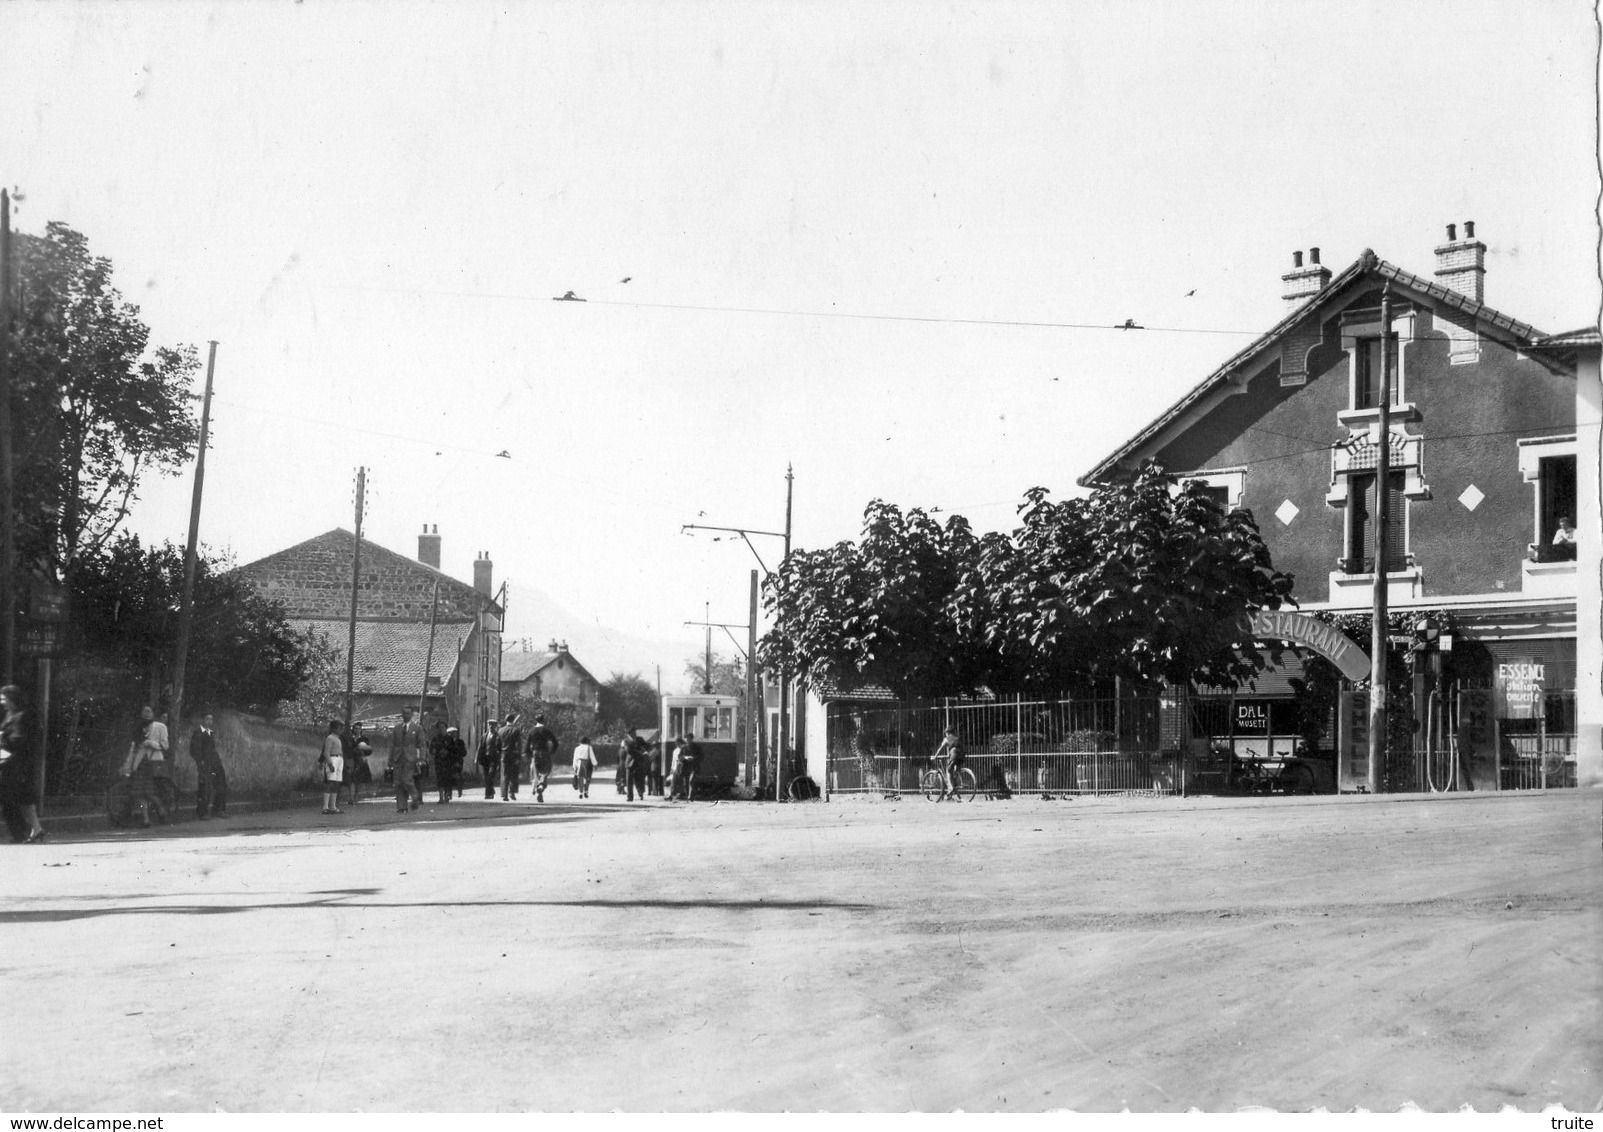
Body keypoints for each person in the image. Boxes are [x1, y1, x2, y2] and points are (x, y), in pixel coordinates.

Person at [0, 685, 46, 843]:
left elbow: (19, 739)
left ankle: (25, 832)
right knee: (21, 798)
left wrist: (3, 738)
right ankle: (34, 830)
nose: (2, 701)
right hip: (11, 762)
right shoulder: (10, 714)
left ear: (13, 699)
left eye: (4, 698)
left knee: (13, 798)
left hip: (16, 762)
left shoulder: (22, 715)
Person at [120, 705, 175, 826]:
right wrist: (128, 764)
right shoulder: (138, 728)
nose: (146, 713)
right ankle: (146, 820)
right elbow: (134, 748)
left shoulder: (160, 727)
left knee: (149, 793)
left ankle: (161, 810)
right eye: (144, 711)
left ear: (153, 714)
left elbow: (165, 746)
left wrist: (150, 743)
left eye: (148, 711)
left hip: (153, 762)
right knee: (138, 793)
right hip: (140, 763)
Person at [189, 711, 229, 820]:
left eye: (211, 719)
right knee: (205, 787)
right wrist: (200, 761)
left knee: (221, 784)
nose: (209, 721)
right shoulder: (197, 733)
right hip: (205, 762)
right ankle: (202, 812)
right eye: (207, 719)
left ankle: (219, 809)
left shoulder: (211, 732)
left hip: (215, 761)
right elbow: (193, 750)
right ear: (203, 720)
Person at [389, 707, 423, 813]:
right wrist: (390, 759)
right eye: (404, 713)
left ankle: (415, 795)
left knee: (406, 780)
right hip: (398, 757)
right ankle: (401, 807)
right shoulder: (397, 728)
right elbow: (392, 745)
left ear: (412, 714)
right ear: (402, 715)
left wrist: (422, 758)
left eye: (408, 713)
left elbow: (422, 745)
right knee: (398, 782)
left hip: (411, 758)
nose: (406, 715)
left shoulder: (417, 728)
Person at [525, 713, 558, 802]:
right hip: (545, 752)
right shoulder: (546, 730)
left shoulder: (531, 731)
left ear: (536, 720)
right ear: (543, 720)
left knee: (536, 771)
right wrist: (552, 752)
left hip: (535, 753)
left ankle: (538, 786)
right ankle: (541, 786)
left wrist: (529, 755)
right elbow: (555, 742)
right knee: (545, 771)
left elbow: (527, 745)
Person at [319, 719, 346, 815]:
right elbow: (326, 752)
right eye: (339, 728)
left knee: (336, 783)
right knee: (330, 782)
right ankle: (325, 806)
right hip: (333, 759)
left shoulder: (337, 738)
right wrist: (330, 763)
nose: (341, 730)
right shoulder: (330, 738)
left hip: (339, 759)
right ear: (334, 728)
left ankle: (333, 806)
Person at [345, 723, 373, 807]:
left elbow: (369, 751)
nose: (357, 730)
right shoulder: (349, 739)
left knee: (359, 780)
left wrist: (364, 749)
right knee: (350, 779)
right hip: (351, 760)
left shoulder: (364, 739)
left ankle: (356, 796)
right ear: (353, 729)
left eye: (359, 728)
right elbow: (346, 749)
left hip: (361, 760)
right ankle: (351, 797)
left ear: (361, 729)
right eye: (356, 728)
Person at [933, 727, 965, 801]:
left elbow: (940, 748)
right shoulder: (957, 738)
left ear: (947, 733)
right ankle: (955, 789)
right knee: (955, 771)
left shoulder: (946, 739)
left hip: (954, 754)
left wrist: (935, 756)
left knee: (948, 770)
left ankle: (951, 788)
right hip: (962, 754)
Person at [498, 711, 524, 801]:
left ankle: (504, 794)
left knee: (504, 774)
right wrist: (519, 756)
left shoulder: (500, 730)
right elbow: (519, 744)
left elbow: (497, 744)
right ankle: (512, 792)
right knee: (513, 774)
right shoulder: (516, 730)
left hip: (503, 755)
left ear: (506, 720)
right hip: (513, 754)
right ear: (513, 720)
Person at [477, 720, 501, 800]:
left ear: (495, 726)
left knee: (491, 775)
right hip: (485, 759)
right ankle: (489, 792)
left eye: (493, 725)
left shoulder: (498, 736)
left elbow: (500, 748)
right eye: (489, 725)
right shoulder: (484, 736)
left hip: (493, 759)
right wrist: (477, 757)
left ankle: (490, 792)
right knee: (486, 777)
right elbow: (480, 747)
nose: (491, 726)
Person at [447, 727, 467, 799]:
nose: (453, 734)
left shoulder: (460, 742)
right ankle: (449, 794)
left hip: (458, 762)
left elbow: (464, 752)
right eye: (451, 733)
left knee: (458, 777)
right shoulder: (447, 742)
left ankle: (459, 791)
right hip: (449, 762)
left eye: (454, 733)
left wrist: (458, 761)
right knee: (448, 778)